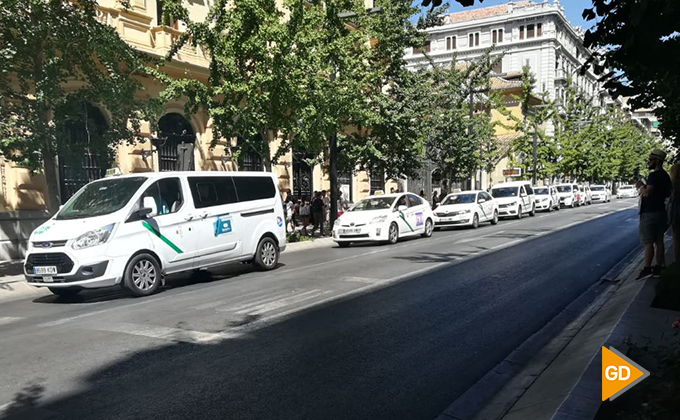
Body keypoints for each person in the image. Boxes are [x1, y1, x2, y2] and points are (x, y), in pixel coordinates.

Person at [635, 149, 672, 280]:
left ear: (657, 160)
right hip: (661, 211)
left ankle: (647, 269)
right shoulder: (665, 176)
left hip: (650, 213)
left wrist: (640, 186)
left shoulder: (654, 176)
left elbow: (647, 192)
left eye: (650, 159)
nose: (648, 162)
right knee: (659, 240)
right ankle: (658, 268)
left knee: (648, 242)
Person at [670, 163, 680, 265]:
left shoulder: (673, 184)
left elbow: (671, 199)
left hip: (676, 212)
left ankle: (677, 261)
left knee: (676, 238)